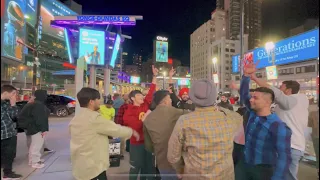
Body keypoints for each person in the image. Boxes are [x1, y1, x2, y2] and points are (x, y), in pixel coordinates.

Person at [167, 80, 243, 180]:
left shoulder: (184, 121)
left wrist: (181, 169)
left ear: (192, 97)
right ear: (214, 97)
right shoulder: (230, 118)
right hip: (224, 176)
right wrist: (219, 108)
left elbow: (173, 156)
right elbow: (238, 116)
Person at [235, 63, 292, 180]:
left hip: (263, 170)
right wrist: (246, 76)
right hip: (244, 164)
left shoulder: (278, 126)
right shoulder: (252, 112)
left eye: (255, 98)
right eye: (252, 96)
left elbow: (284, 157)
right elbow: (244, 94)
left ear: (267, 102)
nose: (251, 99)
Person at [69, 87, 139, 180]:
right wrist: (132, 131)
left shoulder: (76, 118)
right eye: (98, 99)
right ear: (91, 102)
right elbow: (115, 129)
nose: (100, 101)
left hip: (80, 165)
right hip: (93, 168)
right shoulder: (94, 118)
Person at [251, 73, 309, 180]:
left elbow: (272, 90)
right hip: (295, 146)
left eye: (281, 87)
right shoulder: (300, 101)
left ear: (288, 90)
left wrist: (254, 78)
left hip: (290, 146)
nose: (279, 88)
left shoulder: (291, 100)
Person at [124, 65, 158, 180]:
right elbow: (137, 127)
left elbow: (151, 92)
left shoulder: (145, 105)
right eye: (139, 95)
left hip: (148, 143)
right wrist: (147, 116)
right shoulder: (128, 112)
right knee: (135, 167)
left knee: (148, 167)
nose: (142, 97)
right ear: (133, 98)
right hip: (136, 144)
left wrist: (155, 76)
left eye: (142, 95)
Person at [144, 90, 188, 180]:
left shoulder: (148, 118)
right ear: (165, 101)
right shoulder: (175, 112)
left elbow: (148, 146)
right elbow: (193, 115)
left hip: (162, 161)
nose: (171, 101)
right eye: (170, 99)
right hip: (179, 161)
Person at [18, 90, 50, 169]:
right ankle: (35, 162)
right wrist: (44, 130)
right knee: (36, 145)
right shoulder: (38, 105)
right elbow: (40, 119)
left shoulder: (33, 104)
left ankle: (33, 160)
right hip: (36, 128)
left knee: (33, 145)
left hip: (31, 127)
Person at [1, 85, 22, 179]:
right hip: (2, 133)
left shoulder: (6, 103)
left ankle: (7, 173)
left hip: (9, 133)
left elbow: (14, 116)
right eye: (13, 93)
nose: (14, 95)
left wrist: (13, 105)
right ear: (5, 93)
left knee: (9, 155)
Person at [308, 107, 319, 178]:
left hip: (315, 136)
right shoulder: (312, 114)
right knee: (318, 156)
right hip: (316, 137)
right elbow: (309, 125)